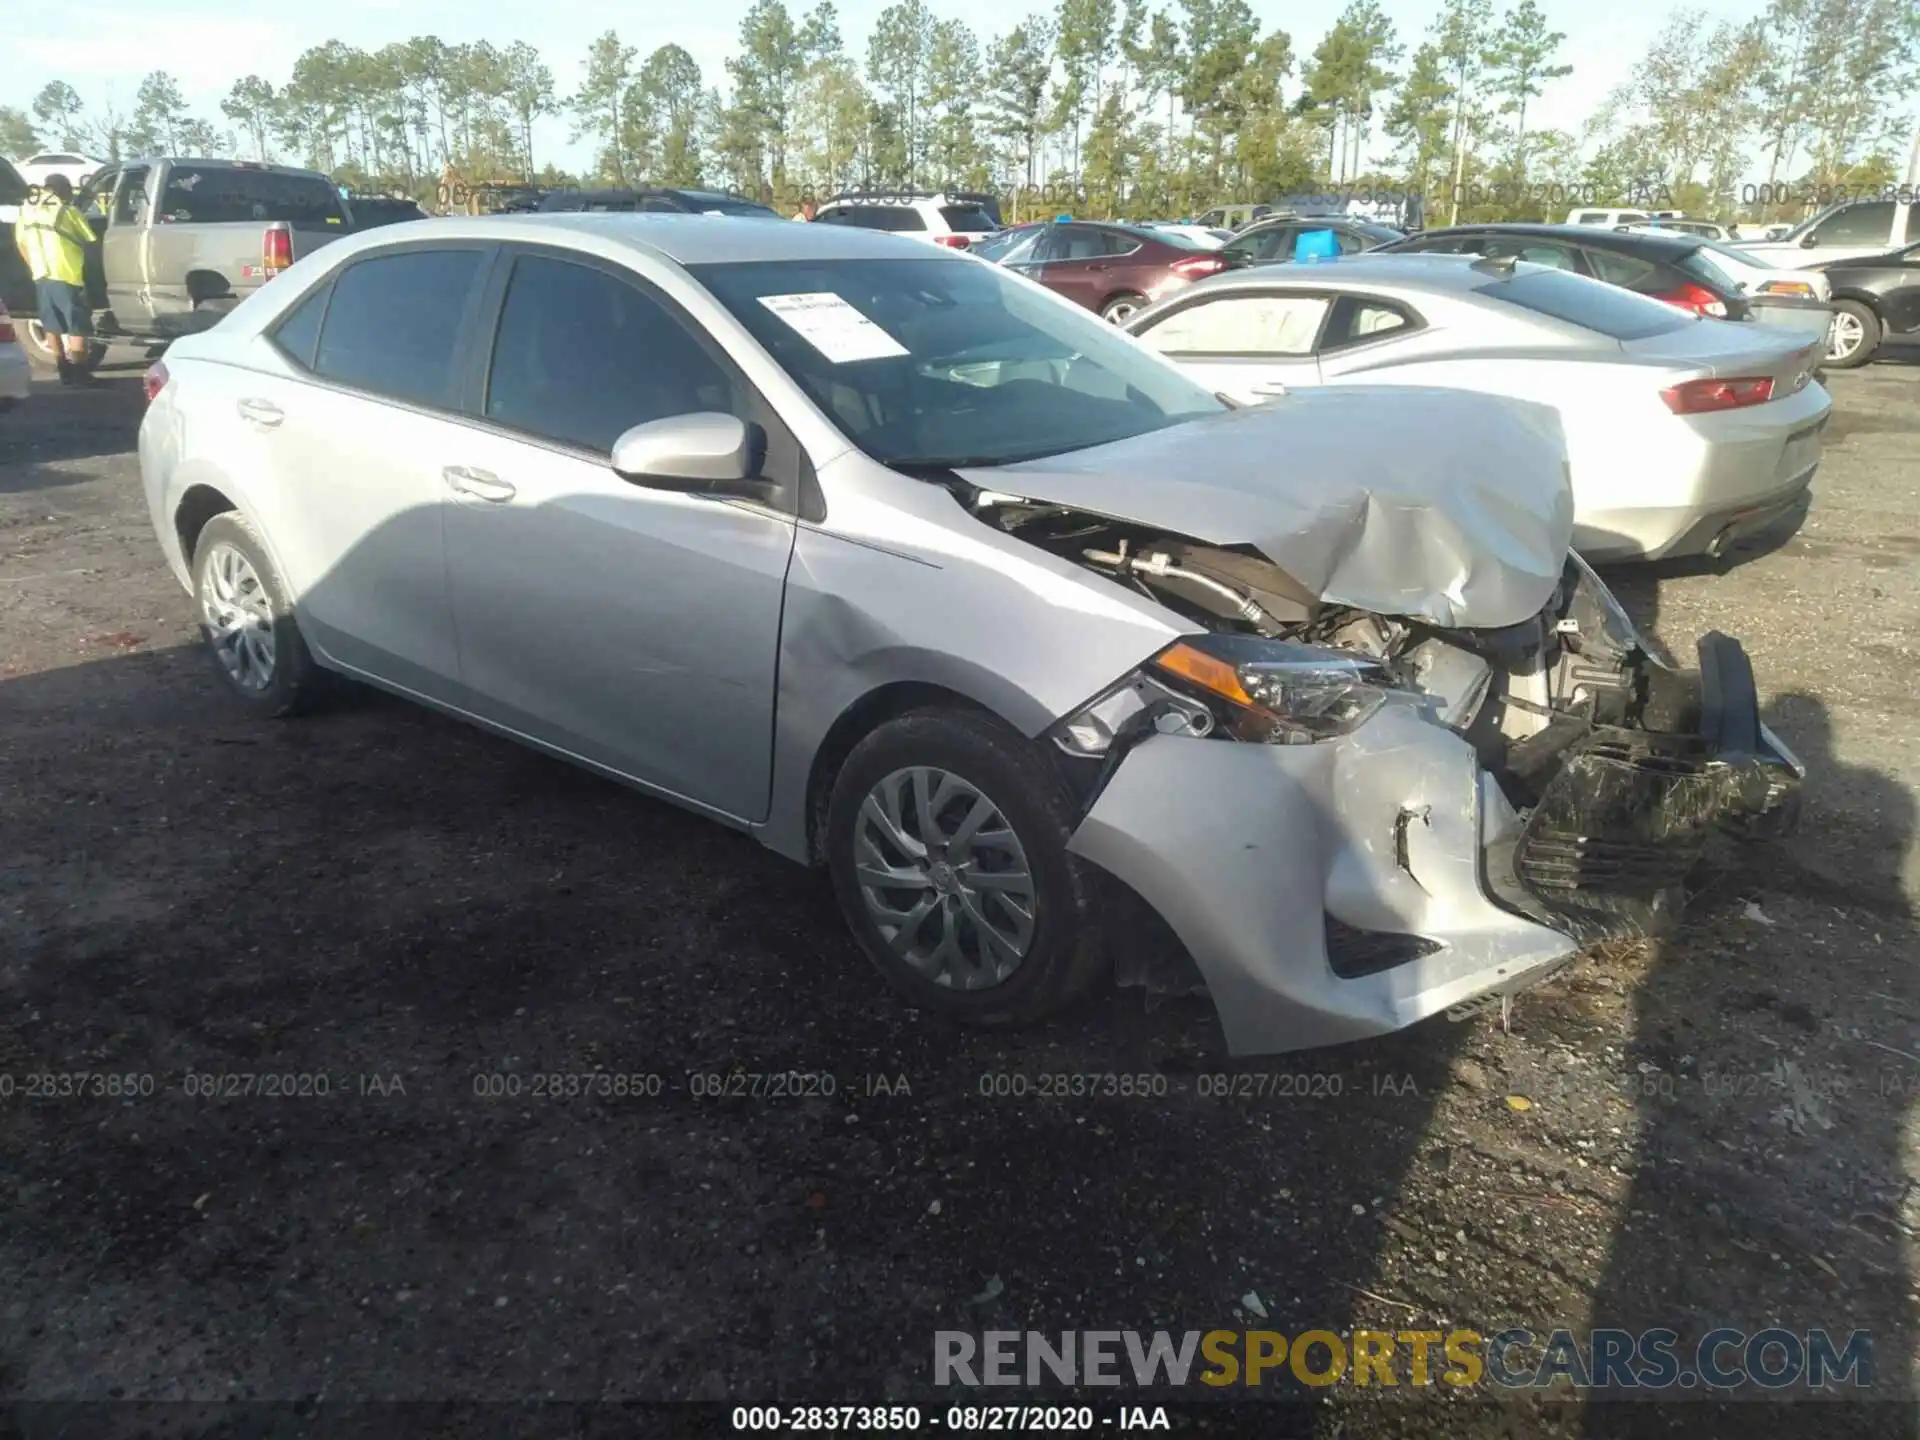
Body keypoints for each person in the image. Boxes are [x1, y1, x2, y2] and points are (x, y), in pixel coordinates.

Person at [14, 175, 98, 385]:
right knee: (76, 325)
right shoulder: (67, 211)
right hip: (67, 274)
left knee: (51, 325)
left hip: (41, 275)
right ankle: (79, 373)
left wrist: (33, 266)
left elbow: (21, 244)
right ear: (63, 189)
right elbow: (89, 239)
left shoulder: (27, 210)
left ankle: (63, 369)